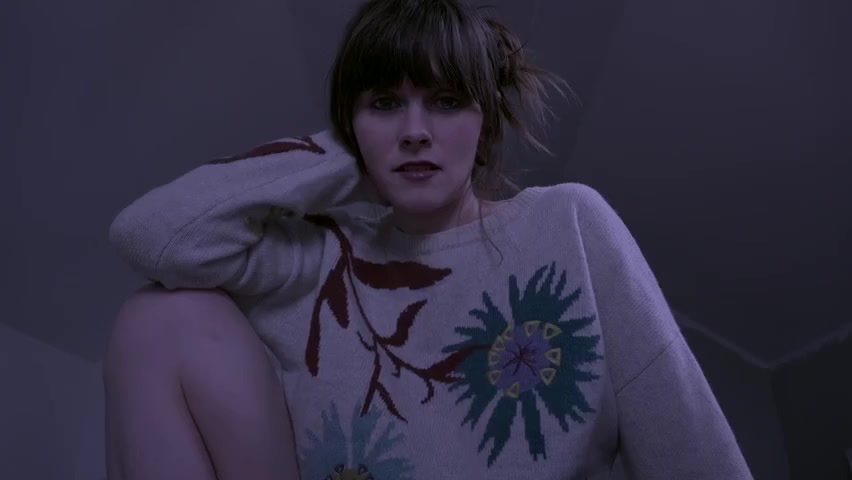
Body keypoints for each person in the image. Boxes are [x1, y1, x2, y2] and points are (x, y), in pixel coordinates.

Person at [104, 0, 754, 478]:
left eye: (446, 101)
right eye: (384, 103)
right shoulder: (323, 255)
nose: (415, 130)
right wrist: (346, 155)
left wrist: (382, 127)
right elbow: (150, 234)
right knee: (158, 317)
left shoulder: (569, 224)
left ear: (485, 121)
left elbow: (697, 457)